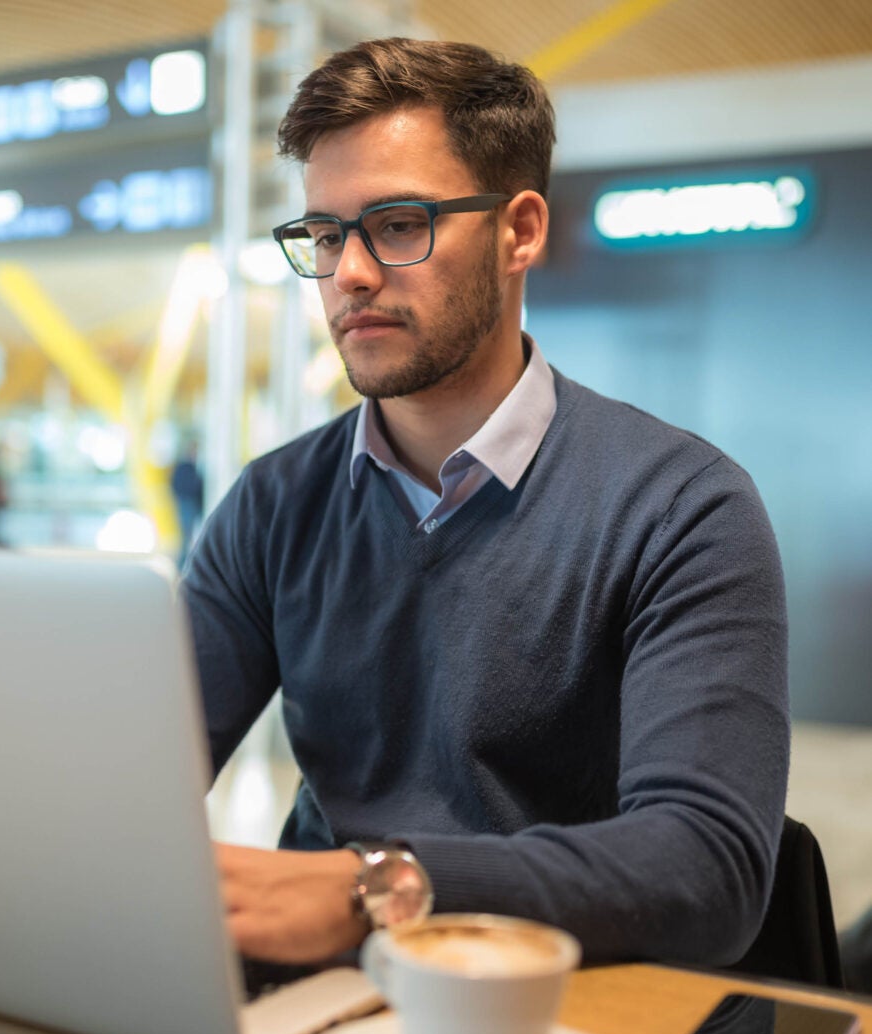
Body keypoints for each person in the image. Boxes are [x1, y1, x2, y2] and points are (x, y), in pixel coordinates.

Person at [182, 38, 789, 974]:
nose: (348, 273)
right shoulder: (272, 502)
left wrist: (377, 889)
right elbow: (138, 778)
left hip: (560, 1000)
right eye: (328, 234)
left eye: (396, 224)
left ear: (521, 231)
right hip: (317, 995)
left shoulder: (682, 509)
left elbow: (708, 867)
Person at [170, 440, 205, 568]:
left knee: (190, 536)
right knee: (186, 537)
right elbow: (179, 486)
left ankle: (183, 566)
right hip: (187, 505)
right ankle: (181, 566)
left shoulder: (193, 467)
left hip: (191, 505)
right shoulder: (185, 467)